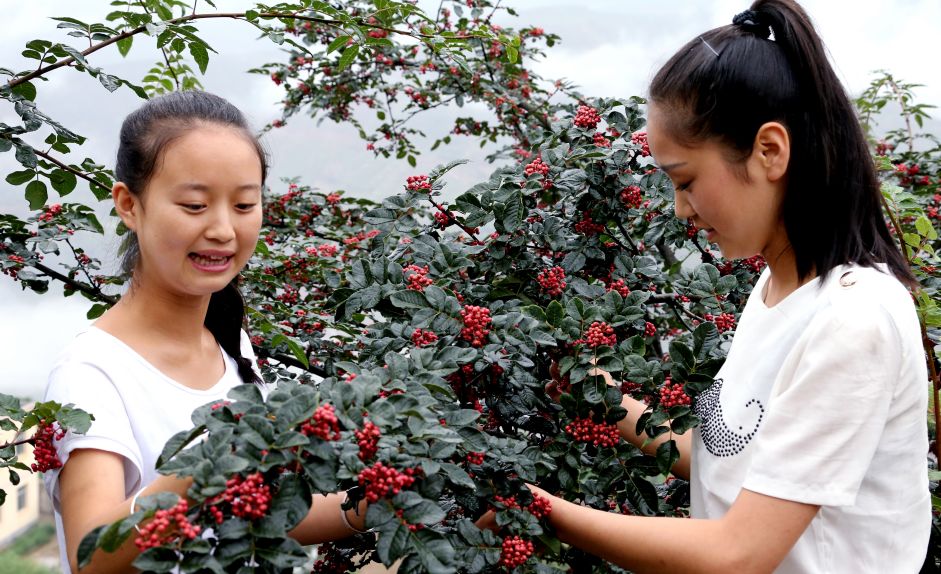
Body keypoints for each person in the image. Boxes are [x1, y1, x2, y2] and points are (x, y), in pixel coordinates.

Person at [530, 1, 931, 572]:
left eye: (686, 180)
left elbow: (739, 553)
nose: (680, 209)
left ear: (770, 151)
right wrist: (602, 396)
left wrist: (538, 511)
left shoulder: (854, 319)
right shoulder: (775, 287)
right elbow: (731, 461)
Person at [42, 91, 364, 574]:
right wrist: (208, 466)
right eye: (194, 205)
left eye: (244, 204)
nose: (222, 229)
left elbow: (262, 512)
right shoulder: (91, 374)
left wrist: (394, 503)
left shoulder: (230, 345)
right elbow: (93, 553)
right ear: (129, 205)